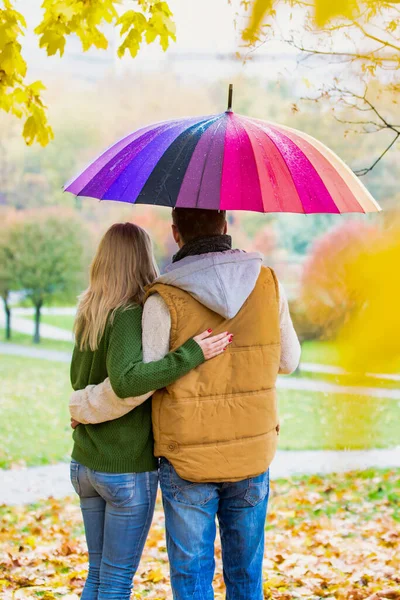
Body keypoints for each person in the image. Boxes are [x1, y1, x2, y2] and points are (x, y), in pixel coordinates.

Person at [71, 210, 301, 600]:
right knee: (246, 575)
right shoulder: (268, 283)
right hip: (251, 452)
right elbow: (289, 360)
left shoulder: (164, 299)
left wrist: (84, 406)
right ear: (225, 226)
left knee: (192, 576)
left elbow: (136, 385)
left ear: (176, 234)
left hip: (187, 458)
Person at [69, 222, 231, 600]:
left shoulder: (88, 310)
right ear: (141, 258)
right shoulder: (127, 314)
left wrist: (82, 408)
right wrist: (191, 353)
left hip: (85, 465)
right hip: (122, 468)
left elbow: (81, 379)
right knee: (115, 581)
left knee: (97, 575)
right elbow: (128, 380)